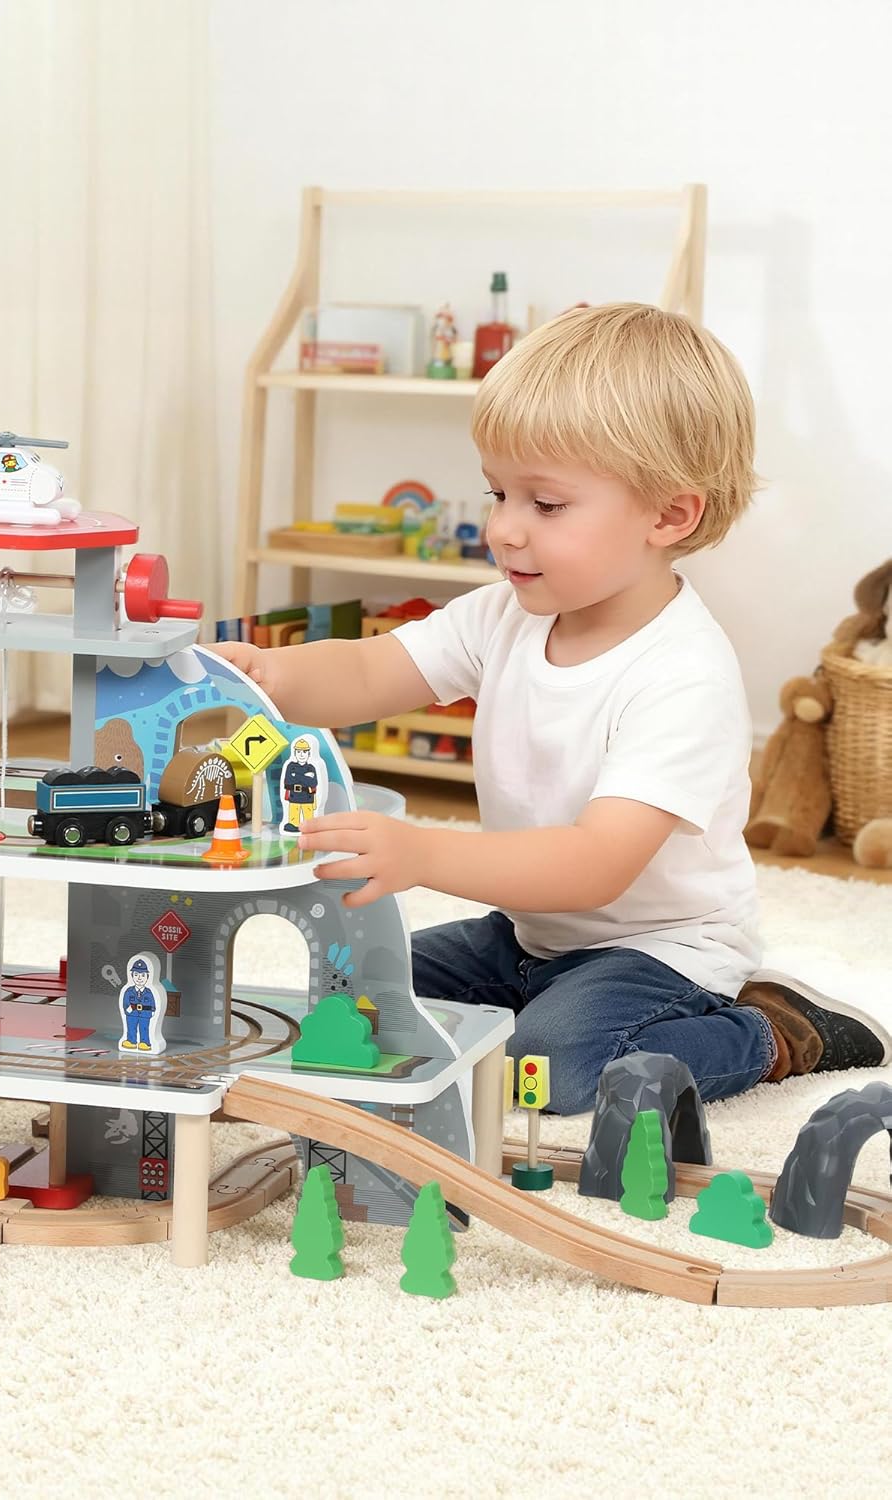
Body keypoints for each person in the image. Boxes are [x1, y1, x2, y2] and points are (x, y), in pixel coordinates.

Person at [214, 303, 890, 1112]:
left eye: (547, 504)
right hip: (530, 935)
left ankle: (775, 1031)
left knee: (553, 1070)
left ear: (669, 515)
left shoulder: (682, 675)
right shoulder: (504, 613)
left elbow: (595, 863)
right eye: (499, 493)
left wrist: (423, 854)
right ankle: (535, 1003)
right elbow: (369, 671)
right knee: (357, 989)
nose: (503, 530)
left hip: (663, 950)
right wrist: (265, 674)